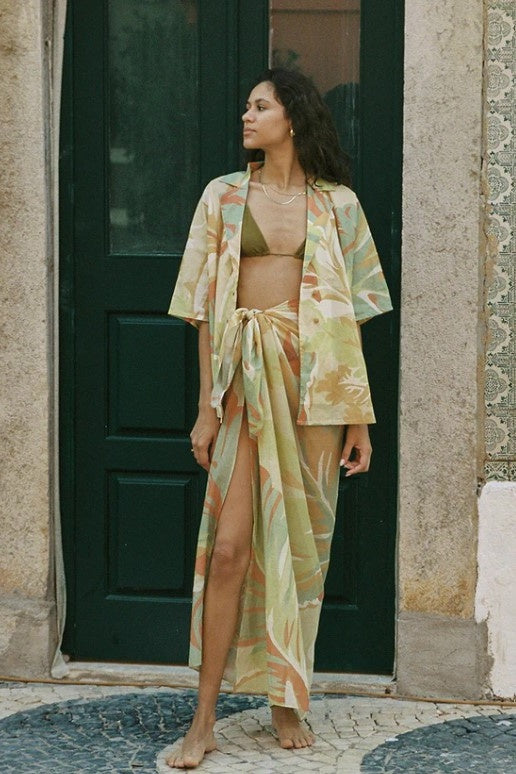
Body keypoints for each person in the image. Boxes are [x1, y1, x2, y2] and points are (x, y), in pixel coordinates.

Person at [165, 67, 392, 769]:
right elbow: (204, 310)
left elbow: (354, 316)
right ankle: (204, 716)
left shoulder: (338, 205)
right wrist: (206, 408)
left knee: (300, 550)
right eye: (246, 107)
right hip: (243, 383)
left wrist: (359, 420)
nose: (247, 116)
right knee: (230, 549)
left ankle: (286, 698)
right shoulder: (224, 196)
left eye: (259, 106)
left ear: (291, 118)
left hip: (316, 388)